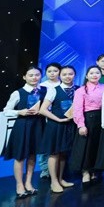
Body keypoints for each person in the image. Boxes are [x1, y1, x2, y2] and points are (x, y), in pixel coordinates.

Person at [3, 66, 46, 198]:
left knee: (32, 155)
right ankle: (19, 185)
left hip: (37, 125)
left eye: (37, 75)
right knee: (20, 156)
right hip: (22, 126)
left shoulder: (44, 91)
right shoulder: (18, 93)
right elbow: (6, 111)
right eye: (30, 75)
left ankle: (28, 183)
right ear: (24, 77)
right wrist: (19, 112)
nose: (34, 78)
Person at [38, 65, 77, 193]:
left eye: (70, 74)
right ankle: (53, 182)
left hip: (70, 126)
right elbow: (43, 110)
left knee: (64, 153)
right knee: (54, 153)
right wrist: (58, 119)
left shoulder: (78, 89)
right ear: (60, 76)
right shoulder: (53, 90)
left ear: (74, 75)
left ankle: (61, 179)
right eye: (64, 74)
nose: (67, 76)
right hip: (56, 126)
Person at [69, 66, 104, 185]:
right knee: (86, 147)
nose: (94, 75)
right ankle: (85, 171)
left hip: (102, 119)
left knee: (97, 146)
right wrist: (81, 125)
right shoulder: (81, 90)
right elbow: (77, 109)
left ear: (100, 75)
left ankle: (95, 170)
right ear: (86, 76)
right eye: (91, 73)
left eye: (97, 73)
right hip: (88, 120)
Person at [38, 62, 61, 180]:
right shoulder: (41, 86)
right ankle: (44, 169)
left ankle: (59, 170)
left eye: (55, 71)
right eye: (49, 71)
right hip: (43, 118)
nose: (52, 73)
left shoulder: (63, 85)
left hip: (60, 118)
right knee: (44, 144)